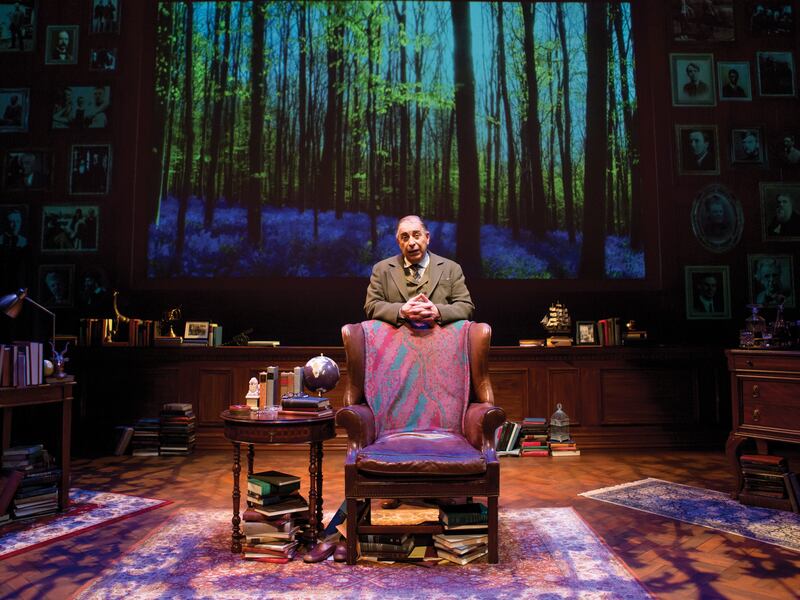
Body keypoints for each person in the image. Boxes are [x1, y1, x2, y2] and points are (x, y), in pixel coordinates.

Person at [364, 215, 474, 327]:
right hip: (397, 336)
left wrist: (438, 312)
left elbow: (466, 306)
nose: (411, 243)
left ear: (427, 238)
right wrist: (401, 311)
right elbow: (371, 306)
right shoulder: (382, 269)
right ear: (399, 242)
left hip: (438, 335)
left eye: (416, 235)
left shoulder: (451, 268)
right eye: (405, 237)